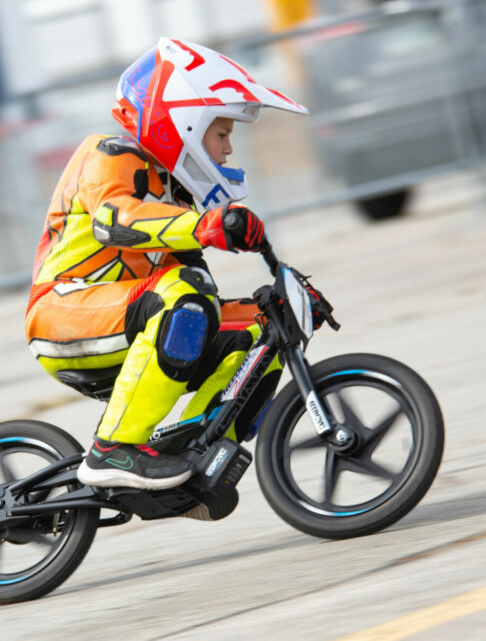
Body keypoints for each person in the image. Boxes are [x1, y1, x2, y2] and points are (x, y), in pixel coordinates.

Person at [25, 38, 309, 490]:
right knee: (184, 292)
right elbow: (116, 220)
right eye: (222, 134)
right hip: (63, 313)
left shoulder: (174, 196)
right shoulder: (108, 154)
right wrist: (206, 225)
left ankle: (198, 453)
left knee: (258, 326)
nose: (228, 150)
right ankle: (113, 451)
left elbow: (200, 290)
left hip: (126, 316)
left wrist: (275, 302)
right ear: (186, 125)